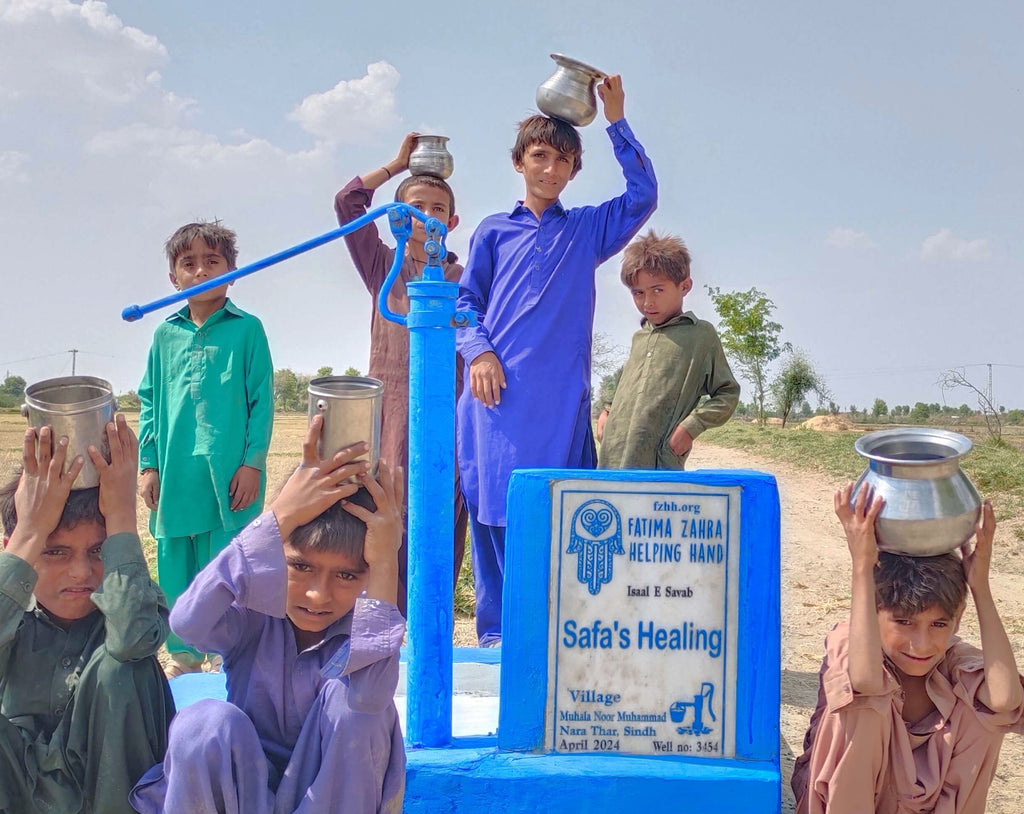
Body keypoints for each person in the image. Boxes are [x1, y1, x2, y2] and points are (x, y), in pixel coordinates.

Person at [457, 74, 657, 646]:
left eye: (563, 160)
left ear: (574, 171)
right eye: (540, 156)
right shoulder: (493, 232)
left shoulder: (588, 231)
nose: (550, 169)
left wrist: (616, 120)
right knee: (494, 516)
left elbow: (643, 196)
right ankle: (496, 643)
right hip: (495, 403)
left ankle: (554, 642)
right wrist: (479, 350)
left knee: (559, 520)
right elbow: (465, 303)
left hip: (561, 406)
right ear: (519, 161)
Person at [130, 416, 406, 814]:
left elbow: (366, 700)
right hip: (244, 789)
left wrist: (385, 561)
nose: (317, 594)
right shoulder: (256, 610)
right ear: (278, 555)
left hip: (332, 795)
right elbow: (187, 622)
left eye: (347, 574)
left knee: (356, 706)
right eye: (302, 567)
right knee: (201, 723)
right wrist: (277, 517)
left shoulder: (367, 636)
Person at [791, 485, 1024, 813]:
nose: (922, 644)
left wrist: (979, 585)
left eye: (938, 625)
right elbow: (867, 683)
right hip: (848, 802)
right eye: (904, 622)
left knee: (985, 714)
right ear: (873, 614)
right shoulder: (849, 642)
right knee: (864, 707)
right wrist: (863, 565)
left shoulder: (954, 661)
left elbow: (1004, 700)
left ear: (957, 620)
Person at [0, 417, 174, 814]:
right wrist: (31, 530)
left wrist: (122, 518)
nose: (80, 573)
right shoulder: (12, 609)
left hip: (112, 797)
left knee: (121, 667)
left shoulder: (129, 604)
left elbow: (132, 638)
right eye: (55, 551)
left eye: (98, 551)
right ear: (15, 548)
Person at [334, 135, 468, 613]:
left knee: (441, 521)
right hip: (390, 419)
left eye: (438, 208)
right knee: (387, 521)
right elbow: (348, 202)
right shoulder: (383, 267)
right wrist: (395, 164)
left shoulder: (464, 280)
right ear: (397, 216)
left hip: (447, 418)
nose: (428, 216)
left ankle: (431, 629)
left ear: (452, 223)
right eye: (416, 207)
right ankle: (380, 632)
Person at [138, 221, 275, 677]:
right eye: (189, 264)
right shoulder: (164, 335)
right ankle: (184, 658)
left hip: (230, 476)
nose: (201, 272)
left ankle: (228, 654)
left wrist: (252, 463)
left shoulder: (247, 330)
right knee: (176, 565)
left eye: (212, 262)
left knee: (229, 564)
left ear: (232, 271)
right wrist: (148, 464)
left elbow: (261, 401)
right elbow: (150, 401)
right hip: (176, 474)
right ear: (173, 278)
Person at [596, 230, 739, 469]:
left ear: (685, 286)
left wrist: (690, 427)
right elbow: (625, 384)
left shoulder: (700, 336)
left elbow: (727, 393)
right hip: (613, 457)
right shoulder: (640, 337)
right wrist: (607, 412)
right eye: (638, 293)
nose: (647, 302)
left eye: (658, 290)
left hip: (658, 461)